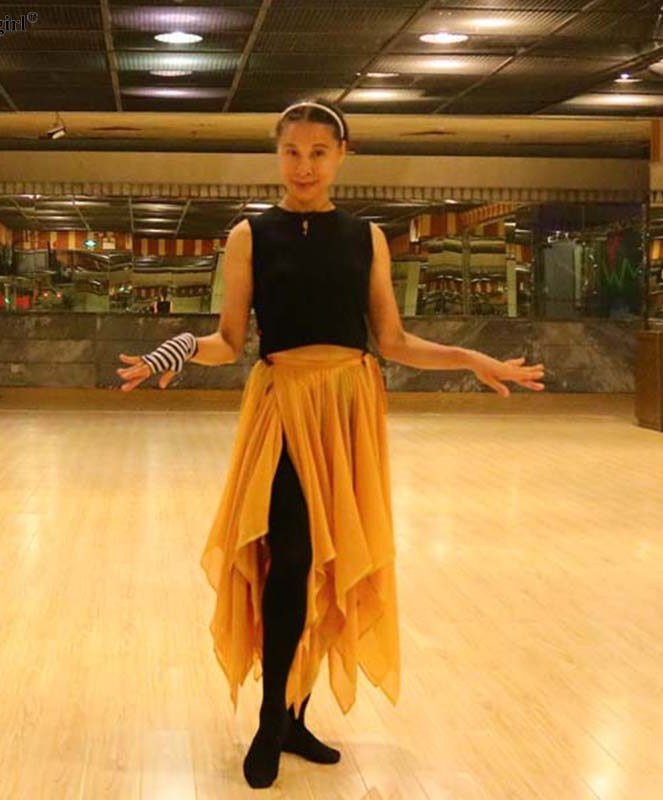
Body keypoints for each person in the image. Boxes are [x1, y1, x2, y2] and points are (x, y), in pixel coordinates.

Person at [116, 99, 545, 790]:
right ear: (277, 155)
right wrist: (175, 349)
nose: (304, 165)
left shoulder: (366, 238)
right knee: (288, 555)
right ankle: (270, 720)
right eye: (292, 151)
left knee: (324, 557)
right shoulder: (250, 235)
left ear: (342, 155)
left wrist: (470, 358)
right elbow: (229, 341)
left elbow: (393, 340)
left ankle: (295, 715)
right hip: (285, 406)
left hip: (348, 410)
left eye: (318, 152)